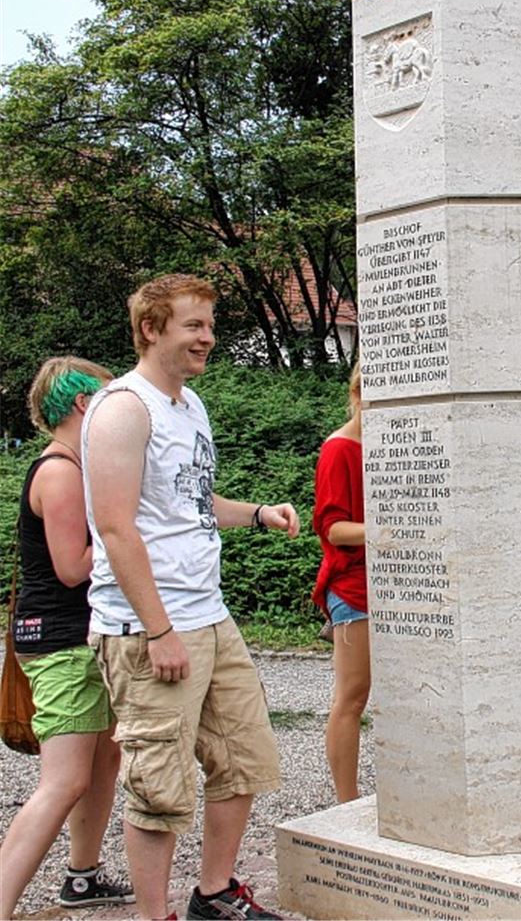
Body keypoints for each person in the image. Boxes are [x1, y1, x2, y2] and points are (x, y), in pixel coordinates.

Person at [82, 274, 300, 921]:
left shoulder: (189, 405)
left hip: (209, 613)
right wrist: (159, 630)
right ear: (152, 329)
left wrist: (258, 512)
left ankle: (214, 893)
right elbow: (116, 526)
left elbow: (190, 503)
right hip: (150, 624)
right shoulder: (125, 407)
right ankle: (157, 915)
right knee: (158, 781)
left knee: (244, 756)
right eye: (193, 324)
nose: (208, 336)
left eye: (209, 323)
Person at [0, 358, 134, 918]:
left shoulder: (77, 467)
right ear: (84, 405)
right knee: (64, 780)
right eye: (106, 400)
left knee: (103, 762)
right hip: (59, 642)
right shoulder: (58, 472)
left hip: (81, 635)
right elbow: (72, 567)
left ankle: (82, 876)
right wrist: (126, 533)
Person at [312, 362, 369, 803]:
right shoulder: (339, 449)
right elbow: (332, 529)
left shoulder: (387, 445)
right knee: (352, 695)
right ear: (357, 394)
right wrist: (387, 528)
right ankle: (345, 802)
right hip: (353, 586)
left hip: (393, 582)